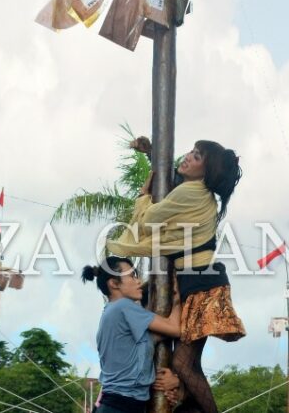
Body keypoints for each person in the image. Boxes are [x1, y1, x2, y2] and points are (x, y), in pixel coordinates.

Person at [106, 140, 246, 413]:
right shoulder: (197, 193)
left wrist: (143, 197)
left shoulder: (191, 193)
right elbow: (172, 181)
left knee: (183, 365)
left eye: (196, 157)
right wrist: (152, 153)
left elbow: (148, 221)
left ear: (205, 172)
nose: (188, 158)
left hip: (201, 284)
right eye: (191, 152)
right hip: (199, 282)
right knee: (188, 366)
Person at [82, 256, 182, 413]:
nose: (138, 281)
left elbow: (156, 338)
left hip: (117, 405)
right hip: (120, 406)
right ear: (114, 284)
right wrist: (177, 298)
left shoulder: (112, 314)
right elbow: (175, 328)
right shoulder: (124, 307)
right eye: (132, 276)